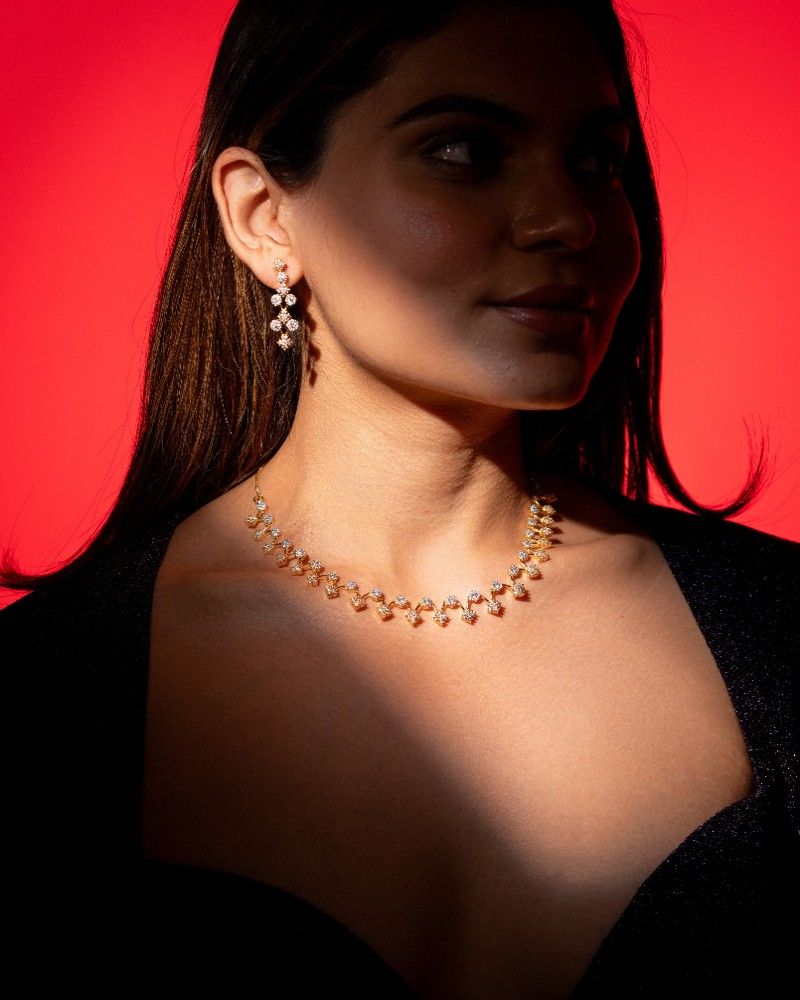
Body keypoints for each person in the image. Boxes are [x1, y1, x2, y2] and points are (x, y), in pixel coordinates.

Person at [3, 1, 798, 996]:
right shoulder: (43, 693)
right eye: (464, 150)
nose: (570, 219)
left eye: (595, 160)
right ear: (262, 216)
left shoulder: (779, 635)